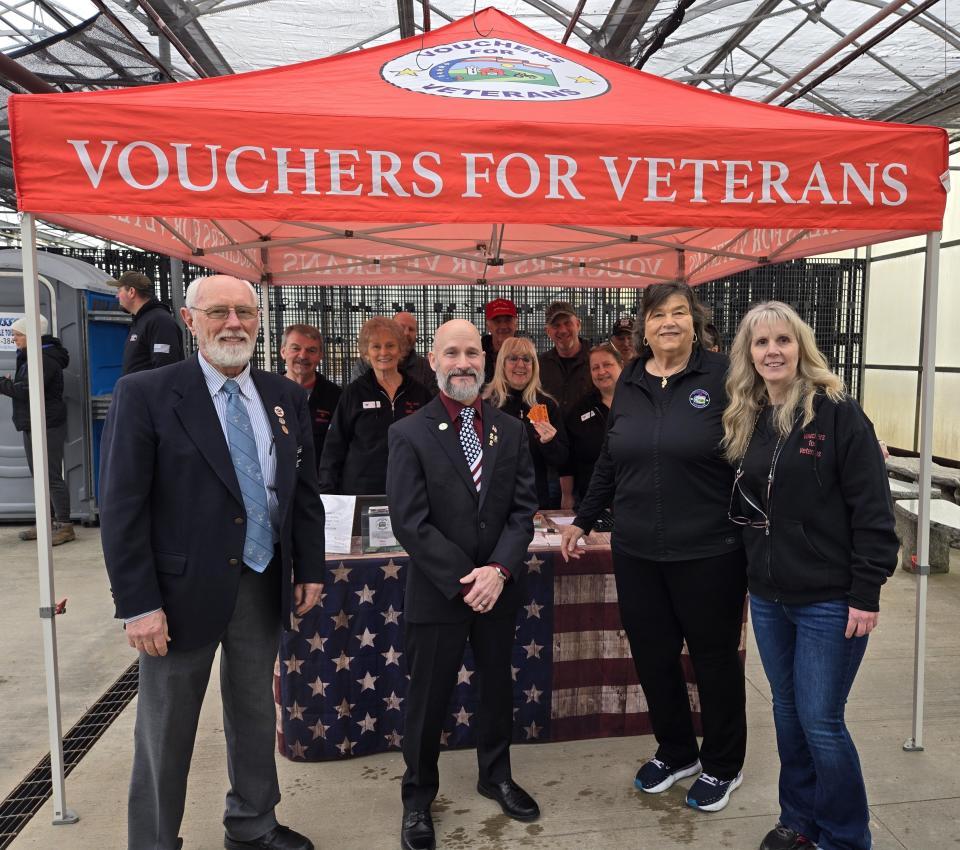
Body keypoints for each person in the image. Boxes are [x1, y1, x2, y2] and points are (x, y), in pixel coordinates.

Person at [99, 275, 325, 850]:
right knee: (166, 729)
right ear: (188, 318)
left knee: (253, 713)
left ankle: (252, 825)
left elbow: (300, 492)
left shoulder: (285, 397)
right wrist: (139, 604)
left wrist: (312, 568)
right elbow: (122, 508)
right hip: (175, 597)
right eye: (219, 311)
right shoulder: (147, 394)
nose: (234, 323)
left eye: (245, 312)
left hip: (260, 579)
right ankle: (152, 841)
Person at [559, 282, 748, 814]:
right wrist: (584, 519)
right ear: (643, 327)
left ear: (696, 323)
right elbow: (612, 461)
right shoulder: (633, 379)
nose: (669, 322)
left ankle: (723, 763)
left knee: (713, 660)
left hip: (710, 549)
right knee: (652, 653)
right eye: (659, 314)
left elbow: (756, 447)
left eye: (680, 313)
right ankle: (677, 750)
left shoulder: (724, 375)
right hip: (638, 549)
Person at [722, 301, 898, 850]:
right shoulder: (747, 416)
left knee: (822, 722)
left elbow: (873, 510)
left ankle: (846, 837)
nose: (772, 351)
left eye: (783, 340)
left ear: (802, 346)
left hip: (829, 598)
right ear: (747, 355)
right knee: (788, 715)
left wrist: (865, 592)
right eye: (760, 343)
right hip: (771, 596)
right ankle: (799, 820)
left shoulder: (839, 413)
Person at [386, 319, 540, 850]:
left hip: (498, 589)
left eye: (472, 352)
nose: (463, 362)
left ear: (485, 358)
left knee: (497, 688)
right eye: (450, 352)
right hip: (439, 592)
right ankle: (417, 797)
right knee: (428, 699)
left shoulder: (510, 430)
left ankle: (495, 775)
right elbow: (410, 520)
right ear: (432, 361)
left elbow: (523, 512)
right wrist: (464, 578)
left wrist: (497, 571)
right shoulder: (408, 433)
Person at [319, 316, 431, 494]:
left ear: (401, 349)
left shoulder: (419, 393)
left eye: (390, 345)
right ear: (366, 353)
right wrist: (327, 493)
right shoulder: (353, 394)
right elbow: (334, 447)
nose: (384, 352)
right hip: (362, 492)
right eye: (376, 346)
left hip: (410, 491)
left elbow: (431, 445)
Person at [0, 315, 74, 545]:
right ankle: (46, 522)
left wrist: (3, 383)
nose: (14, 339)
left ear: (32, 335)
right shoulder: (30, 356)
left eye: (18, 335)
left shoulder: (44, 358)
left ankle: (65, 526)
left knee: (50, 475)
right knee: (40, 476)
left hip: (47, 423)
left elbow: (26, 390)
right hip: (33, 422)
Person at [484, 336, 568, 510]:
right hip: (493, 501)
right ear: (502, 364)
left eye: (527, 359)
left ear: (534, 366)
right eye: (513, 358)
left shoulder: (547, 405)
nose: (520, 365)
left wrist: (549, 442)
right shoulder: (486, 405)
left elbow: (562, 459)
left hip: (535, 501)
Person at [560, 343, 623, 511]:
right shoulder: (579, 410)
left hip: (635, 501)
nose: (601, 372)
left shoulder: (640, 403)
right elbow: (568, 460)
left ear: (621, 365)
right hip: (593, 504)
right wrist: (567, 496)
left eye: (607, 365)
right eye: (595, 367)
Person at [279, 323, 341, 467]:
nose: (303, 356)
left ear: (320, 356)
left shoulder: (336, 397)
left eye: (311, 350)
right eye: (295, 348)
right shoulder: (266, 394)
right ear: (283, 352)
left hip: (320, 483)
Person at [107, 270, 185, 374]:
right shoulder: (141, 320)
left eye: (119, 290)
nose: (117, 296)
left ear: (131, 292)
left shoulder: (160, 321)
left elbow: (165, 370)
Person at [350, 311, 437, 394]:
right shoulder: (364, 364)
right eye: (401, 328)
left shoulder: (426, 367)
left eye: (411, 329)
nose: (406, 333)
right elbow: (356, 395)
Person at [538, 301, 592, 419]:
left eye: (567, 323)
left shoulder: (596, 360)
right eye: (556, 325)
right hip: (552, 436)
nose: (563, 330)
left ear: (578, 324)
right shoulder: (539, 365)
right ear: (548, 331)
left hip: (590, 436)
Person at [482, 297, 518, 383]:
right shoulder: (478, 354)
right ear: (488, 326)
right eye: (497, 321)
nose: (503, 326)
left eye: (508, 320)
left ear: (516, 324)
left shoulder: (526, 353)